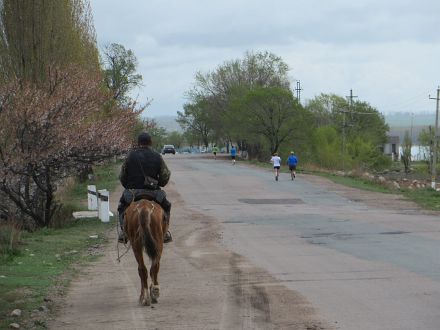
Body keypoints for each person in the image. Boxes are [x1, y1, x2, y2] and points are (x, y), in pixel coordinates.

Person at [117, 132, 172, 244]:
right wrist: (159, 183)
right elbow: (165, 175)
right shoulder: (157, 156)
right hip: (153, 192)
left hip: (132, 192)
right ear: (150, 142)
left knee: (122, 207)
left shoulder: (130, 156)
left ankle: (124, 232)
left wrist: (127, 185)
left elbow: (122, 176)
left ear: (138, 143)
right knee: (166, 206)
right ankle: (165, 232)